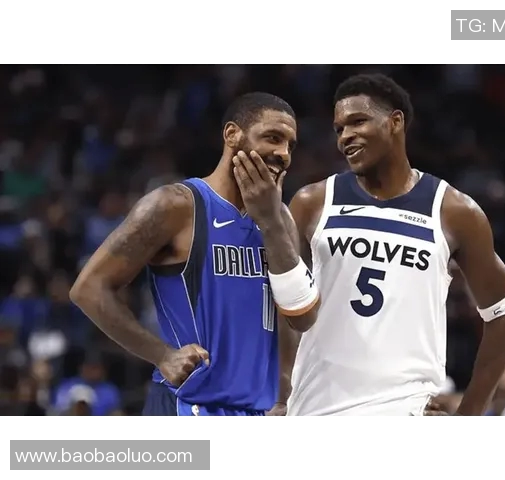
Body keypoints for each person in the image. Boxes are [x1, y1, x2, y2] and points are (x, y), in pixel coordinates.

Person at [283, 73, 505, 416]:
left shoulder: (454, 211)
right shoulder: (312, 202)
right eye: (339, 129)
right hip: (316, 407)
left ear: (395, 122)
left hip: (405, 409)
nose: (345, 136)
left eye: (358, 122)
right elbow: (283, 308)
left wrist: (469, 414)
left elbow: (504, 312)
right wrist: (280, 394)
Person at [69, 92, 319, 416]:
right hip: (186, 406)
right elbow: (88, 289)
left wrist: (284, 398)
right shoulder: (176, 205)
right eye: (273, 138)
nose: (283, 153)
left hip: (255, 412)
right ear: (232, 134)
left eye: (290, 145)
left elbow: (295, 318)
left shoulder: (280, 219)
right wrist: (161, 354)